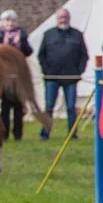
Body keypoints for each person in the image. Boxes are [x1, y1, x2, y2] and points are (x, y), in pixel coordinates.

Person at [38, 8, 88, 139]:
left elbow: (84, 55)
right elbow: (41, 55)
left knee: (71, 107)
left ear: (69, 18)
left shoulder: (77, 35)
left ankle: (72, 134)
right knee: (49, 106)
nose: (63, 20)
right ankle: (45, 133)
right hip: (52, 77)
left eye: (65, 17)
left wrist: (78, 72)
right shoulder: (48, 34)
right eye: (61, 17)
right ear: (57, 19)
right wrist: (46, 71)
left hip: (71, 77)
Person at [0, 10, 33, 140]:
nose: (10, 23)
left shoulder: (22, 34)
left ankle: (18, 134)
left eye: (12, 20)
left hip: (18, 74)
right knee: (5, 106)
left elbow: (28, 51)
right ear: (2, 22)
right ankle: (5, 133)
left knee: (19, 105)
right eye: (7, 20)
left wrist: (21, 44)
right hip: (3, 74)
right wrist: (4, 44)